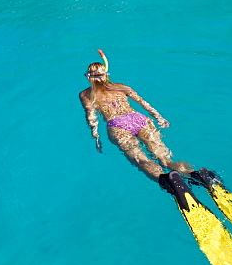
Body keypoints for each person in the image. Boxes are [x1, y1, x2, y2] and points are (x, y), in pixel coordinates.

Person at [79, 51, 195, 181]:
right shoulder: (121, 87)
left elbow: (91, 117)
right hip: (138, 118)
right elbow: (143, 102)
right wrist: (159, 117)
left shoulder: (85, 94)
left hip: (117, 125)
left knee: (141, 161)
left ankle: (168, 182)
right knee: (165, 160)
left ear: (89, 77)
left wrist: (96, 137)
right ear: (106, 74)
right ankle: (193, 174)